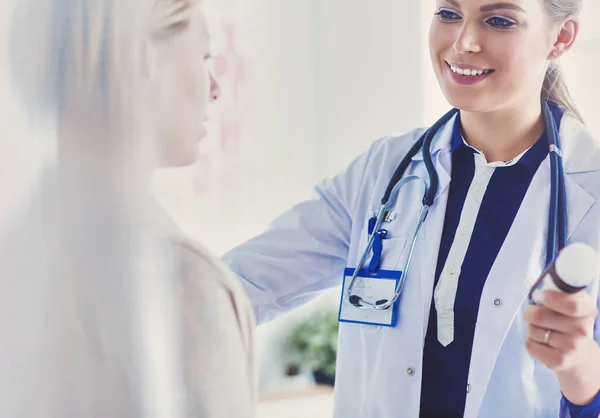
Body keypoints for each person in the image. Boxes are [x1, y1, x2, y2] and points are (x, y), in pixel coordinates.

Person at [223, 0, 600, 417]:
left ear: (561, 37)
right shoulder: (383, 172)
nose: (463, 42)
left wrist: (581, 366)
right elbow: (242, 286)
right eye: (449, 14)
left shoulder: (591, 190)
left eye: (498, 20)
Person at [3, 0, 256, 417]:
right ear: (140, 57)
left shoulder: (20, 248)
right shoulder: (181, 281)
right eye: (203, 56)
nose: (215, 86)